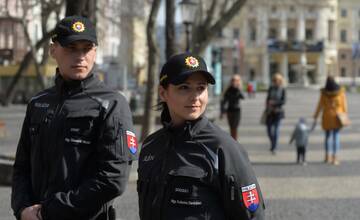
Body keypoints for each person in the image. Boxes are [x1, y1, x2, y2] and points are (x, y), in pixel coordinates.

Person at [11, 16, 138, 220]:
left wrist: (49, 211)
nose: (80, 56)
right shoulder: (38, 102)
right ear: (53, 50)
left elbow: (113, 178)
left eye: (86, 48)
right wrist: (22, 208)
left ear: (95, 52)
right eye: (71, 48)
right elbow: (21, 167)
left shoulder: (112, 104)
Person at [137, 53, 265, 220]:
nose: (195, 97)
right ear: (163, 93)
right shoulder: (150, 145)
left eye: (201, 88)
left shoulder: (223, 148)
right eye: (184, 87)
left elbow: (253, 215)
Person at [313, 76, 348, 165]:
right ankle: (335, 157)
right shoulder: (340, 92)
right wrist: (345, 115)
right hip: (338, 117)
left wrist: (315, 116)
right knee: (336, 136)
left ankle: (327, 156)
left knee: (327, 137)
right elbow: (344, 106)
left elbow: (319, 105)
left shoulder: (324, 93)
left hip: (327, 117)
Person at [265, 73, 286, 154]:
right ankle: (273, 142)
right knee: (269, 130)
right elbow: (267, 98)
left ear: (280, 81)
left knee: (276, 130)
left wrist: (274, 103)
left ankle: (274, 147)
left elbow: (283, 101)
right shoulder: (271, 88)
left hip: (278, 112)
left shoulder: (282, 89)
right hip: (270, 111)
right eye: (274, 80)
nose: (276, 81)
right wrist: (267, 105)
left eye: (277, 80)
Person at [220, 74, 245, 140]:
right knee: (231, 127)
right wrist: (222, 112)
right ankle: (233, 140)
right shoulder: (228, 89)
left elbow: (243, 97)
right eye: (233, 80)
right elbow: (224, 101)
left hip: (237, 110)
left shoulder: (238, 89)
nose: (234, 81)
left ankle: (234, 141)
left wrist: (238, 88)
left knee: (235, 127)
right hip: (230, 110)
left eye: (236, 80)